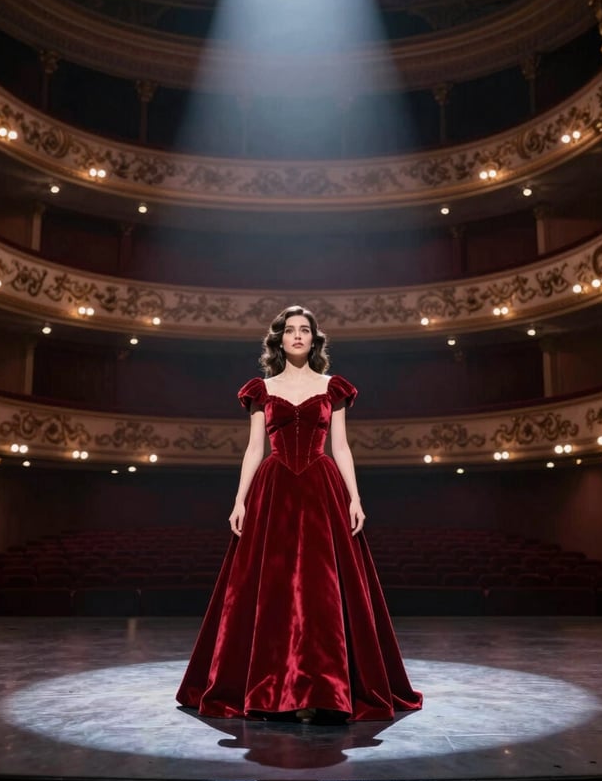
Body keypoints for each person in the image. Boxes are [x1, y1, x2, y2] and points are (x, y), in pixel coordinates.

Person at [176, 305, 422, 724]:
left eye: (304, 330)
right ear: (279, 339)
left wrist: (355, 498)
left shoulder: (333, 387)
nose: (296, 336)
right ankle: (270, 688)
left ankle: (325, 688)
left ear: (314, 339)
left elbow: (340, 447)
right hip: (273, 492)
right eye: (289, 330)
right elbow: (254, 449)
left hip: (320, 489)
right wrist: (239, 500)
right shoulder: (262, 389)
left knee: (321, 590)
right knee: (270, 588)